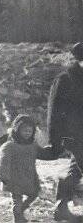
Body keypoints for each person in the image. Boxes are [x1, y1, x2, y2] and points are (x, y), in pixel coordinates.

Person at [0, 114, 57, 222]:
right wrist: (2, 176)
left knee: (35, 193)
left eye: (30, 131)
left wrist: (55, 152)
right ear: (17, 130)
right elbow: (3, 161)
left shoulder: (32, 145)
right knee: (17, 200)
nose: (27, 133)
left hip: (29, 177)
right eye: (25, 131)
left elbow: (42, 154)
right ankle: (17, 218)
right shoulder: (9, 146)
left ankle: (20, 212)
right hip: (14, 178)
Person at [48, 42, 83, 222]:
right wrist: (54, 138)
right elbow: (54, 110)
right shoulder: (66, 79)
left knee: (75, 169)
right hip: (74, 135)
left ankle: (61, 206)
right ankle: (61, 205)